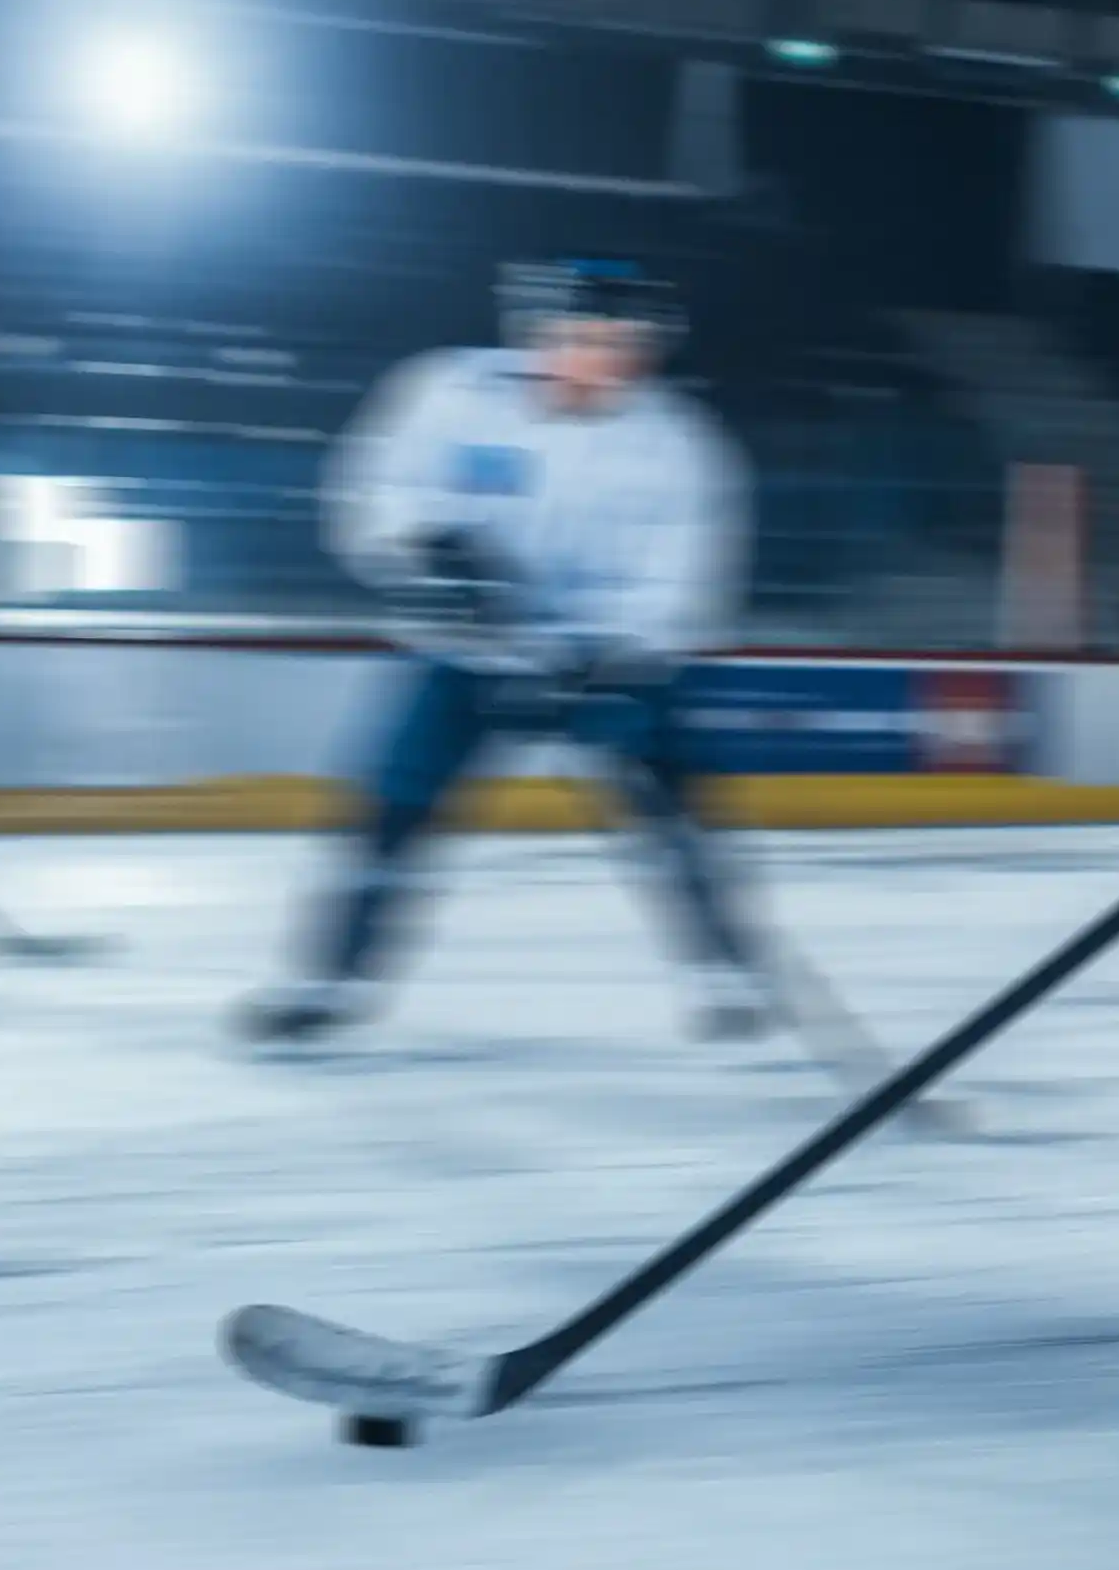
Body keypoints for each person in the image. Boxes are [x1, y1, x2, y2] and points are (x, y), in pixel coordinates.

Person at [236, 259, 754, 1046]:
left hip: (605, 666)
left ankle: (726, 974)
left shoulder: (677, 444)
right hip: (465, 657)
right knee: (390, 812)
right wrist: (429, 557)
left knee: (674, 815)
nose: (607, 359)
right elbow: (376, 492)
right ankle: (326, 981)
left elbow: (684, 577)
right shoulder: (449, 392)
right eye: (587, 338)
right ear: (537, 334)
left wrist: (614, 660)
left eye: (627, 342)